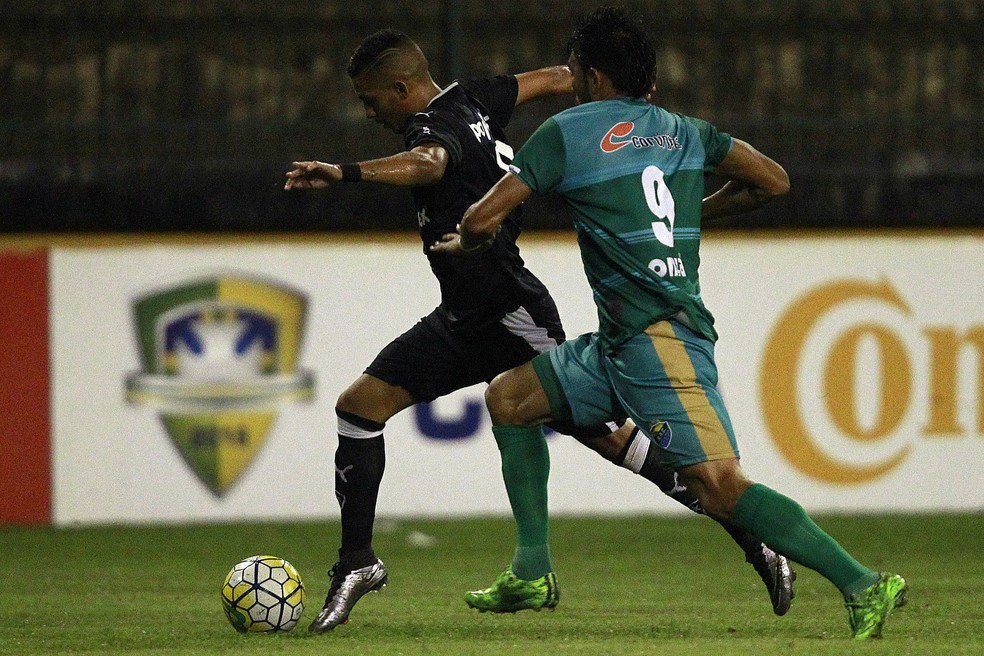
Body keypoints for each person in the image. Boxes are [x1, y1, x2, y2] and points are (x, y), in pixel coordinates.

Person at [284, 28, 793, 633]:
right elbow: (555, 79)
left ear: (402, 88)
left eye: (372, 100)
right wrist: (611, 91)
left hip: (511, 311)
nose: (368, 113)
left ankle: (752, 535)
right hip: (463, 317)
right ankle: (356, 563)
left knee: (623, 444)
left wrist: (343, 173)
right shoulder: (476, 97)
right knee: (360, 408)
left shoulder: (430, 128)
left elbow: (431, 163)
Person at [431, 6, 908, 641]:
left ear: (594, 76)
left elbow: (483, 219)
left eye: (574, 70)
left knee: (720, 487)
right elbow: (774, 181)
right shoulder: (687, 131)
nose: (571, 81)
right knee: (512, 397)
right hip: (618, 343)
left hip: (659, 339)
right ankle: (532, 571)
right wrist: (693, 213)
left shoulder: (567, 132)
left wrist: (465, 240)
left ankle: (862, 583)